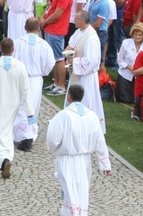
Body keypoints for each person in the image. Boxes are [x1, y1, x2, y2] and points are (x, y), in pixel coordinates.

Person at [47, 84, 111, 216]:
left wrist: (53, 149)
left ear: (69, 96)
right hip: (85, 162)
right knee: (80, 193)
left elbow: (53, 140)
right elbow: (100, 141)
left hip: (67, 160)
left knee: (71, 195)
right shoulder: (92, 116)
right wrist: (105, 163)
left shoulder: (63, 115)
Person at [0, 38, 33, 178]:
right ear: (13, 49)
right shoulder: (20, 66)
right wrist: (30, 112)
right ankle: (6, 158)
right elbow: (26, 90)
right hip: (13, 104)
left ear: (0, 48)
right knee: (7, 130)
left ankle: (3, 158)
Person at [12, 18, 55, 152]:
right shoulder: (43, 44)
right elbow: (50, 63)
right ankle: (28, 132)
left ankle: (24, 136)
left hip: (20, 78)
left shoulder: (17, 43)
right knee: (32, 106)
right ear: (38, 29)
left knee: (20, 106)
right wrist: (42, 72)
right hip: (36, 79)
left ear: (25, 27)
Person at [65, 11, 106, 134]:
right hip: (76, 74)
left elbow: (91, 61)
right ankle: (72, 124)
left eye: (76, 19)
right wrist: (69, 49)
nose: (74, 21)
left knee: (86, 101)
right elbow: (72, 44)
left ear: (83, 21)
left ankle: (85, 128)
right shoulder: (78, 32)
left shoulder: (92, 38)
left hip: (86, 77)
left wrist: (74, 61)